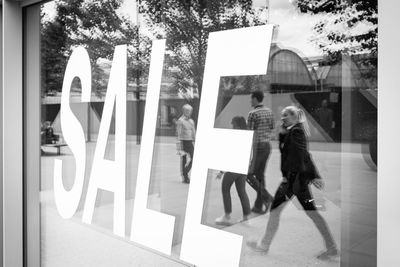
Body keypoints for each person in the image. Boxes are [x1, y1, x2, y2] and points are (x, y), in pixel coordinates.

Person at [247, 106, 338, 260]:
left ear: (296, 117)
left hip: (292, 181)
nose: (284, 117)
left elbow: (301, 155)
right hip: (297, 181)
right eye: (282, 115)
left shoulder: (296, 132)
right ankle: (331, 247)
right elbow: (304, 155)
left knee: (276, 212)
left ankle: (264, 246)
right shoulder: (292, 131)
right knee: (311, 213)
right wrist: (314, 175)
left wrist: (296, 177)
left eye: (288, 115)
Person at [215, 116, 251, 225]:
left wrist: (221, 171)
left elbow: (229, 155)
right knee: (242, 192)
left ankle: (227, 216)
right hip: (243, 168)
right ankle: (246, 218)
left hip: (233, 167)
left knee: (225, 189)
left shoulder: (235, 136)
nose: (232, 126)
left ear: (237, 125)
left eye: (233, 124)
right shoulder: (248, 135)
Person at [247, 90, 274, 214]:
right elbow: (272, 127)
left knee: (248, 175)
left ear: (255, 99)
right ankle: (258, 206)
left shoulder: (252, 113)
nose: (250, 101)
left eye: (251, 98)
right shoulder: (269, 111)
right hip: (268, 146)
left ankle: (267, 197)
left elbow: (249, 133)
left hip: (258, 147)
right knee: (260, 175)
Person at [176, 104, 196, 184]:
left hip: (190, 142)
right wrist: (179, 147)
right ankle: (185, 177)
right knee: (183, 159)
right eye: (187, 110)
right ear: (183, 111)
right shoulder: (180, 121)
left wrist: (195, 140)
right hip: (183, 142)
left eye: (190, 111)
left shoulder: (191, 121)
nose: (189, 112)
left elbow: (193, 131)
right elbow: (178, 133)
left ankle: (185, 171)